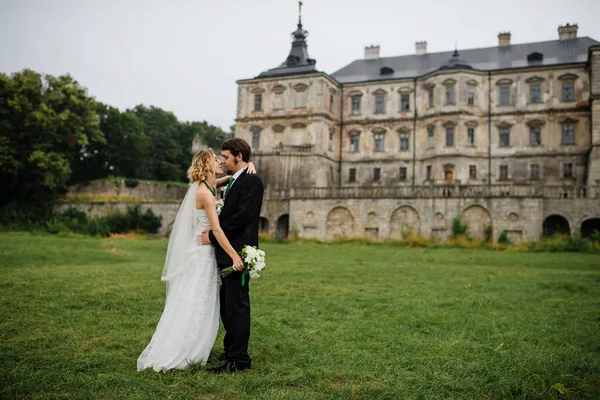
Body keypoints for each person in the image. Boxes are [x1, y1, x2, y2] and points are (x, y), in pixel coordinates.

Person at [137, 149, 252, 372]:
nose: (220, 161)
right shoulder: (205, 193)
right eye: (215, 160)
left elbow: (228, 178)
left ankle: (197, 346)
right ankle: (183, 349)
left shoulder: (209, 185)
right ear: (206, 166)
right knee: (195, 301)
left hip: (204, 253)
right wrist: (234, 255)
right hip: (202, 255)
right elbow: (217, 231)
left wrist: (248, 166)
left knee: (203, 302)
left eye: (222, 158)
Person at [200, 137, 264, 374]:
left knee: (236, 307)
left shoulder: (252, 181)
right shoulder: (238, 179)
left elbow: (240, 218)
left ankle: (239, 361)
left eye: (226, 157)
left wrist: (214, 237)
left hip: (237, 253)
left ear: (239, 156)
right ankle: (231, 351)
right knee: (228, 307)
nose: (223, 161)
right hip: (227, 253)